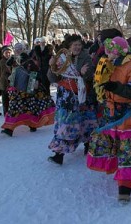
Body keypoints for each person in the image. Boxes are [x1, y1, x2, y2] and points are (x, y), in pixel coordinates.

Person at [87, 36, 131, 203]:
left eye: (112, 50)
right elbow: (95, 80)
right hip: (110, 113)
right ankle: (118, 172)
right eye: (107, 50)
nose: (108, 53)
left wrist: (113, 87)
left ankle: (125, 187)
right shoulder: (107, 64)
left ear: (120, 50)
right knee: (111, 145)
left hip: (128, 116)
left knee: (128, 150)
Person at [47, 34, 97, 165]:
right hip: (65, 97)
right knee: (65, 123)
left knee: (85, 122)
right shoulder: (61, 58)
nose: (77, 47)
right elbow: (53, 79)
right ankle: (59, 153)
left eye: (79, 45)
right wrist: (51, 67)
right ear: (69, 46)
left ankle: (88, 144)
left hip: (81, 96)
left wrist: (82, 73)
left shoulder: (86, 57)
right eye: (75, 45)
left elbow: (91, 76)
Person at [1, 43, 55, 137]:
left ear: (23, 49)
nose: (17, 50)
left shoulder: (28, 60)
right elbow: (7, 65)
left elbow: (36, 72)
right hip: (16, 88)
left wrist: (35, 82)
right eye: (16, 48)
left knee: (30, 107)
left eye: (20, 49)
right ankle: (9, 128)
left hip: (27, 88)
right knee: (14, 107)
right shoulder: (14, 59)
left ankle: (32, 125)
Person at [0, 46, 13, 115]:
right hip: (3, 84)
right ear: (3, 54)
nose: (8, 54)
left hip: (12, 83)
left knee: (12, 99)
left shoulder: (14, 61)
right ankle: (6, 114)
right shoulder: (1, 62)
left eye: (9, 53)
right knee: (5, 100)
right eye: (6, 53)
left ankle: (12, 113)